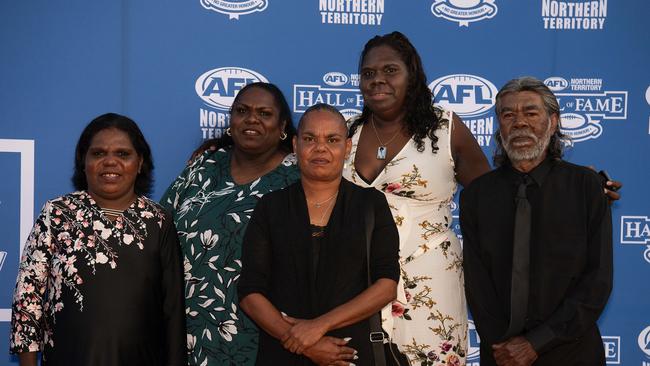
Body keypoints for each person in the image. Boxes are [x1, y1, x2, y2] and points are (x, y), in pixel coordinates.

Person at [342, 31, 491, 364]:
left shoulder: (445, 129)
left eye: (390, 70)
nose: (377, 80)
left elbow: (495, 196)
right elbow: (296, 169)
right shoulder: (345, 133)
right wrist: (221, 147)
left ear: (412, 75)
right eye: (368, 73)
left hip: (430, 285)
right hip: (357, 285)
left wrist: (575, 189)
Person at [10, 113, 186, 366]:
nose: (110, 162)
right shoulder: (57, 214)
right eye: (98, 153)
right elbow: (28, 296)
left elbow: (173, 310)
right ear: (83, 161)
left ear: (140, 163)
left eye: (123, 154)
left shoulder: (158, 220)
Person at [460, 77, 613, 366]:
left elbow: (597, 281)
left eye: (531, 113)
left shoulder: (585, 187)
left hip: (572, 351)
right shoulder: (477, 195)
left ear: (553, 122)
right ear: (499, 126)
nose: (519, 123)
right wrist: (504, 347)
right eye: (508, 115)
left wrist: (536, 342)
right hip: (501, 355)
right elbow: (477, 285)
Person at [238, 103, 400, 365]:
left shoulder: (371, 204)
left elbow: (386, 286)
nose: (320, 148)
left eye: (332, 139)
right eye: (310, 139)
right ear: (295, 145)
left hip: (349, 353)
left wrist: (318, 327)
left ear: (347, 148)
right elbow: (250, 292)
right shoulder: (270, 207)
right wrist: (300, 342)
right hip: (283, 351)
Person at [160, 82, 301, 365]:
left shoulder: (297, 178)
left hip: (261, 334)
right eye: (242, 111)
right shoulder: (205, 165)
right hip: (187, 328)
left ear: (283, 125)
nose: (252, 119)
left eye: (265, 113)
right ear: (230, 120)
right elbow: (159, 227)